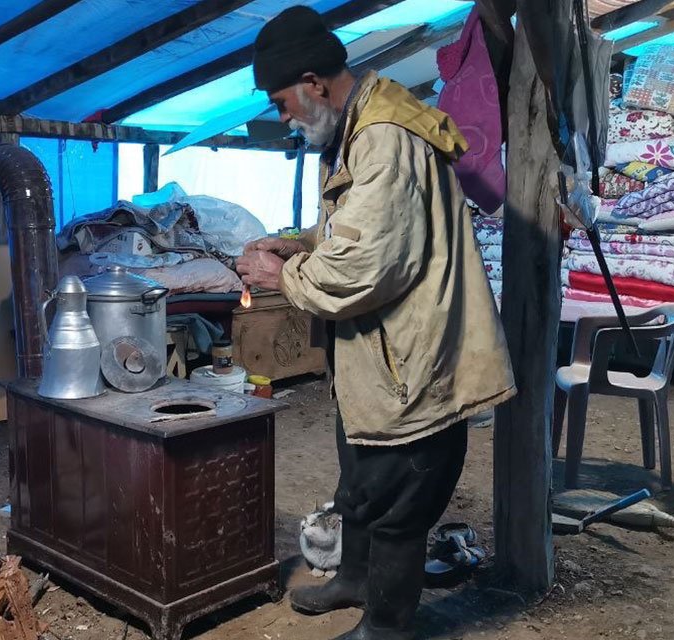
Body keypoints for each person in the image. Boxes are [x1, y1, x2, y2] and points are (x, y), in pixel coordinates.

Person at [236, 6, 516, 640]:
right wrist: (299, 244)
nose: (282, 116)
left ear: (313, 82)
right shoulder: (361, 126)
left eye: (282, 101)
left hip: (411, 361)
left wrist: (279, 278)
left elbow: (365, 266)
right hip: (381, 356)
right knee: (362, 477)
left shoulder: (384, 139)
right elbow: (361, 229)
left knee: (397, 498)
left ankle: (387, 627)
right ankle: (355, 579)